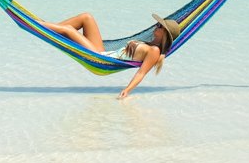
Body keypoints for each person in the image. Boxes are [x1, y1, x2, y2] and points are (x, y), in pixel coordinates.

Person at [42, 12, 183, 101]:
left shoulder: (154, 51)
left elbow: (141, 73)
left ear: (164, 33)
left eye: (159, 26)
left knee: (68, 30)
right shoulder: (149, 42)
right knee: (87, 17)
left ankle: (41, 26)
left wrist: (127, 90)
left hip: (99, 59)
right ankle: (49, 29)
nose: (156, 26)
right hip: (104, 53)